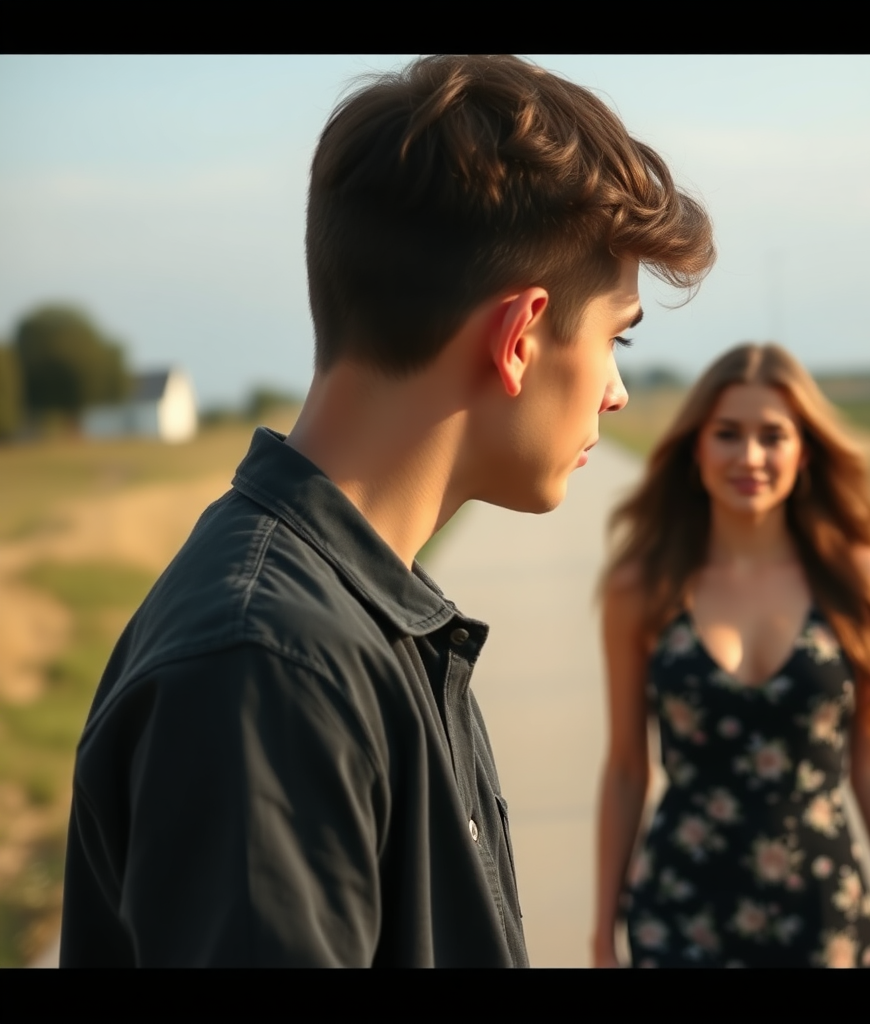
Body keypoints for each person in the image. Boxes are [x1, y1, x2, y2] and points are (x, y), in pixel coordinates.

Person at [59, 55, 715, 967]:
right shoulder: (271, 668)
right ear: (519, 337)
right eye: (617, 337)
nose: (615, 391)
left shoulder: (361, 617)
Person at [593, 343, 870, 968]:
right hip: (680, 911)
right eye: (727, 434)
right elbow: (625, 769)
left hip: (822, 913)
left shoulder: (857, 582)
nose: (749, 456)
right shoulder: (641, 588)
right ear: (696, 445)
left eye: (772, 435)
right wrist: (600, 935)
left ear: (803, 449)